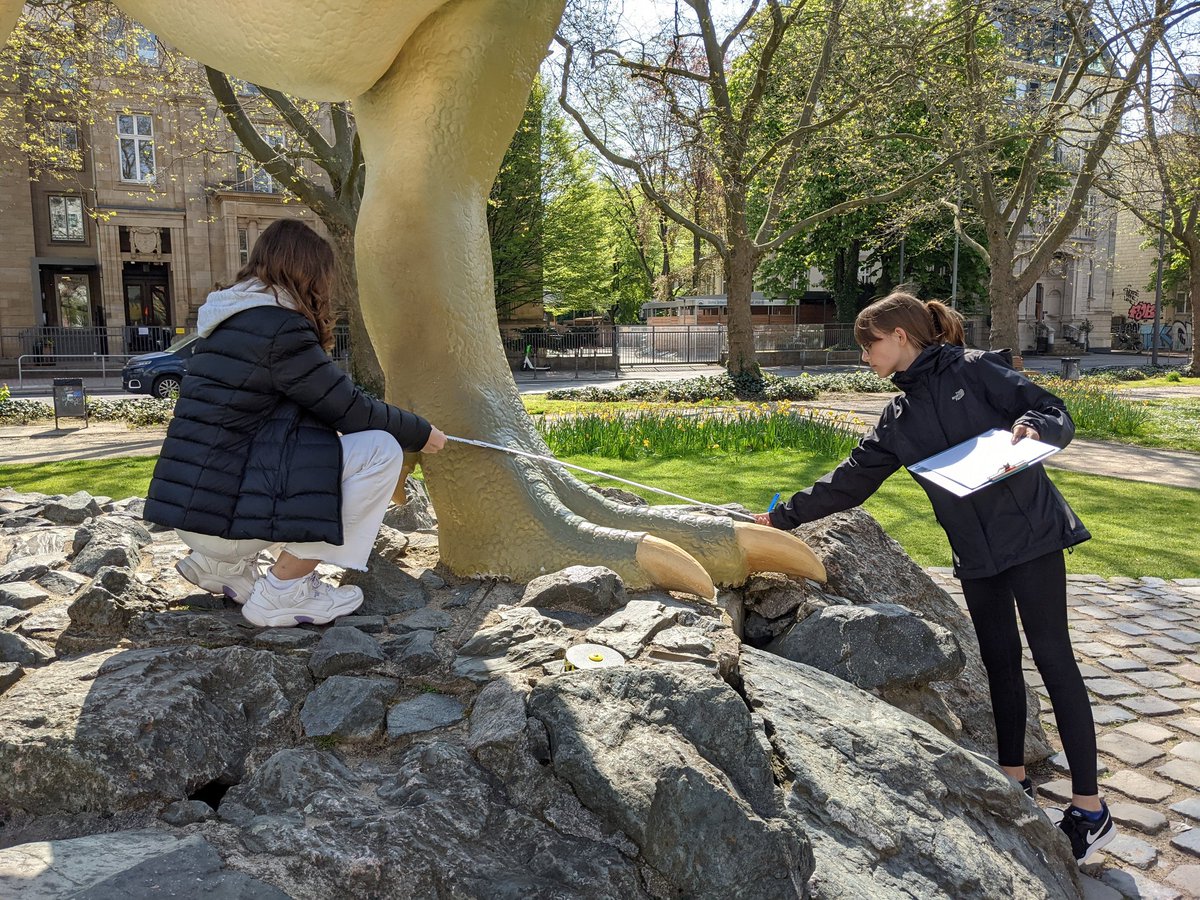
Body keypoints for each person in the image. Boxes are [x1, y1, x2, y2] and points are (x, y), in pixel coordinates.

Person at [756, 291, 1112, 865]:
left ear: (900, 336)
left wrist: (1030, 427)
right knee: (998, 659)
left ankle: (1090, 810)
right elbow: (850, 480)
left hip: (1032, 537)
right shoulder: (898, 417)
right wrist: (781, 516)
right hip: (975, 552)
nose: (864, 356)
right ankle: (1013, 780)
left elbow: (1052, 410)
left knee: (1052, 658)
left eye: (868, 344)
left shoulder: (975, 370)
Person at [143, 219, 446, 628]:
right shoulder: (278, 326)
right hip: (221, 523)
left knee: (296, 450)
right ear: (308, 273)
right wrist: (421, 432)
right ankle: (285, 591)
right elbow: (349, 409)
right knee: (380, 450)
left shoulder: (228, 321)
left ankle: (223, 568)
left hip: (194, 518)